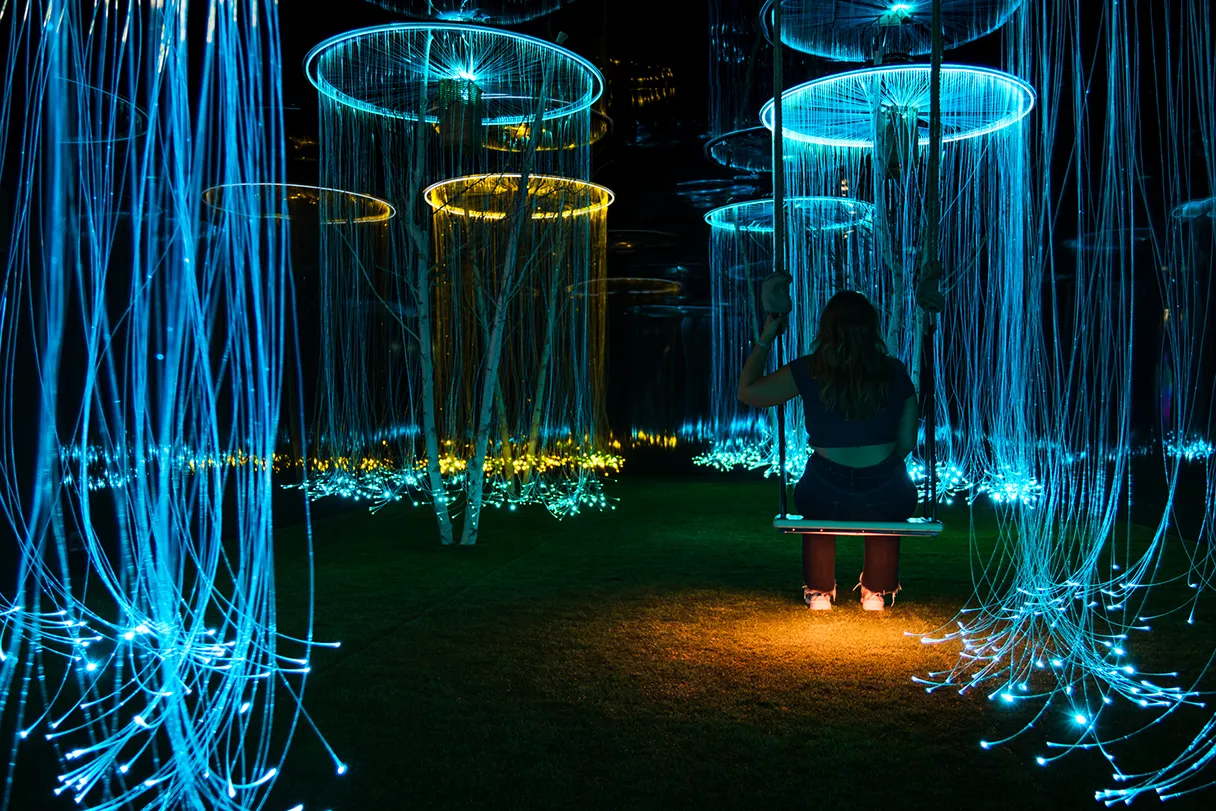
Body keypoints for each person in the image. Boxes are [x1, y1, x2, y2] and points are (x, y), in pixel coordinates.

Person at [737, 291, 919, 612]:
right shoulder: (894, 371)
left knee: (817, 497)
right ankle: (877, 591)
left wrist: (768, 335)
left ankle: (819, 591)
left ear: (826, 328)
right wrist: (877, 468)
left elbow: (748, 392)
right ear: (871, 327)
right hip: (885, 490)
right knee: (890, 495)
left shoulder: (810, 369)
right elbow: (906, 442)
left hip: (824, 490)